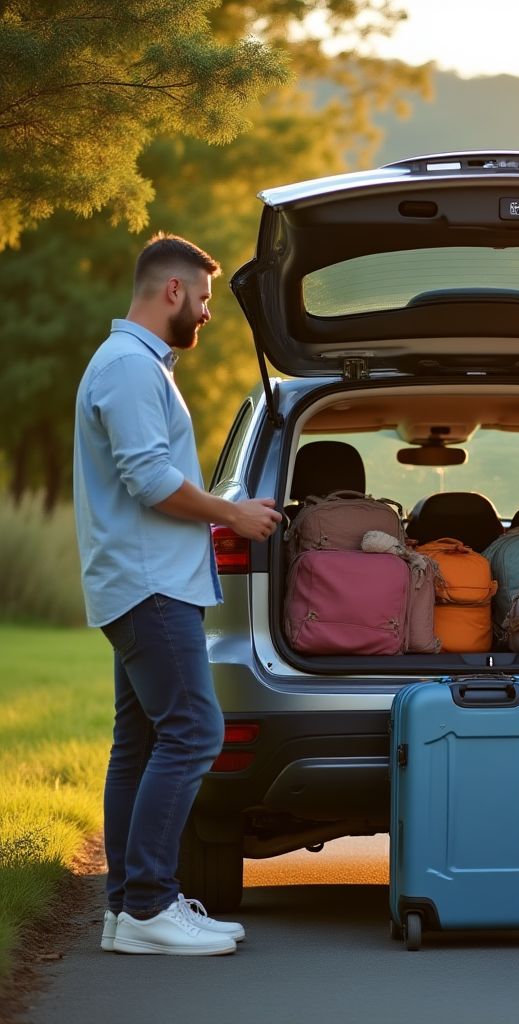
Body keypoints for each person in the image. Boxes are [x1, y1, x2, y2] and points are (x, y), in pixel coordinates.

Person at [73, 233, 282, 955]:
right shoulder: (130, 369)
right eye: (204, 298)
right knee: (195, 732)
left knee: (138, 745)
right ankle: (150, 907)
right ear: (172, 291)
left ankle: (128, 909)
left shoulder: (137, 366)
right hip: (149, 585)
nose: (207, 313)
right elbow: (149, 479)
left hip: (148, 583)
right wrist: (235, 513)